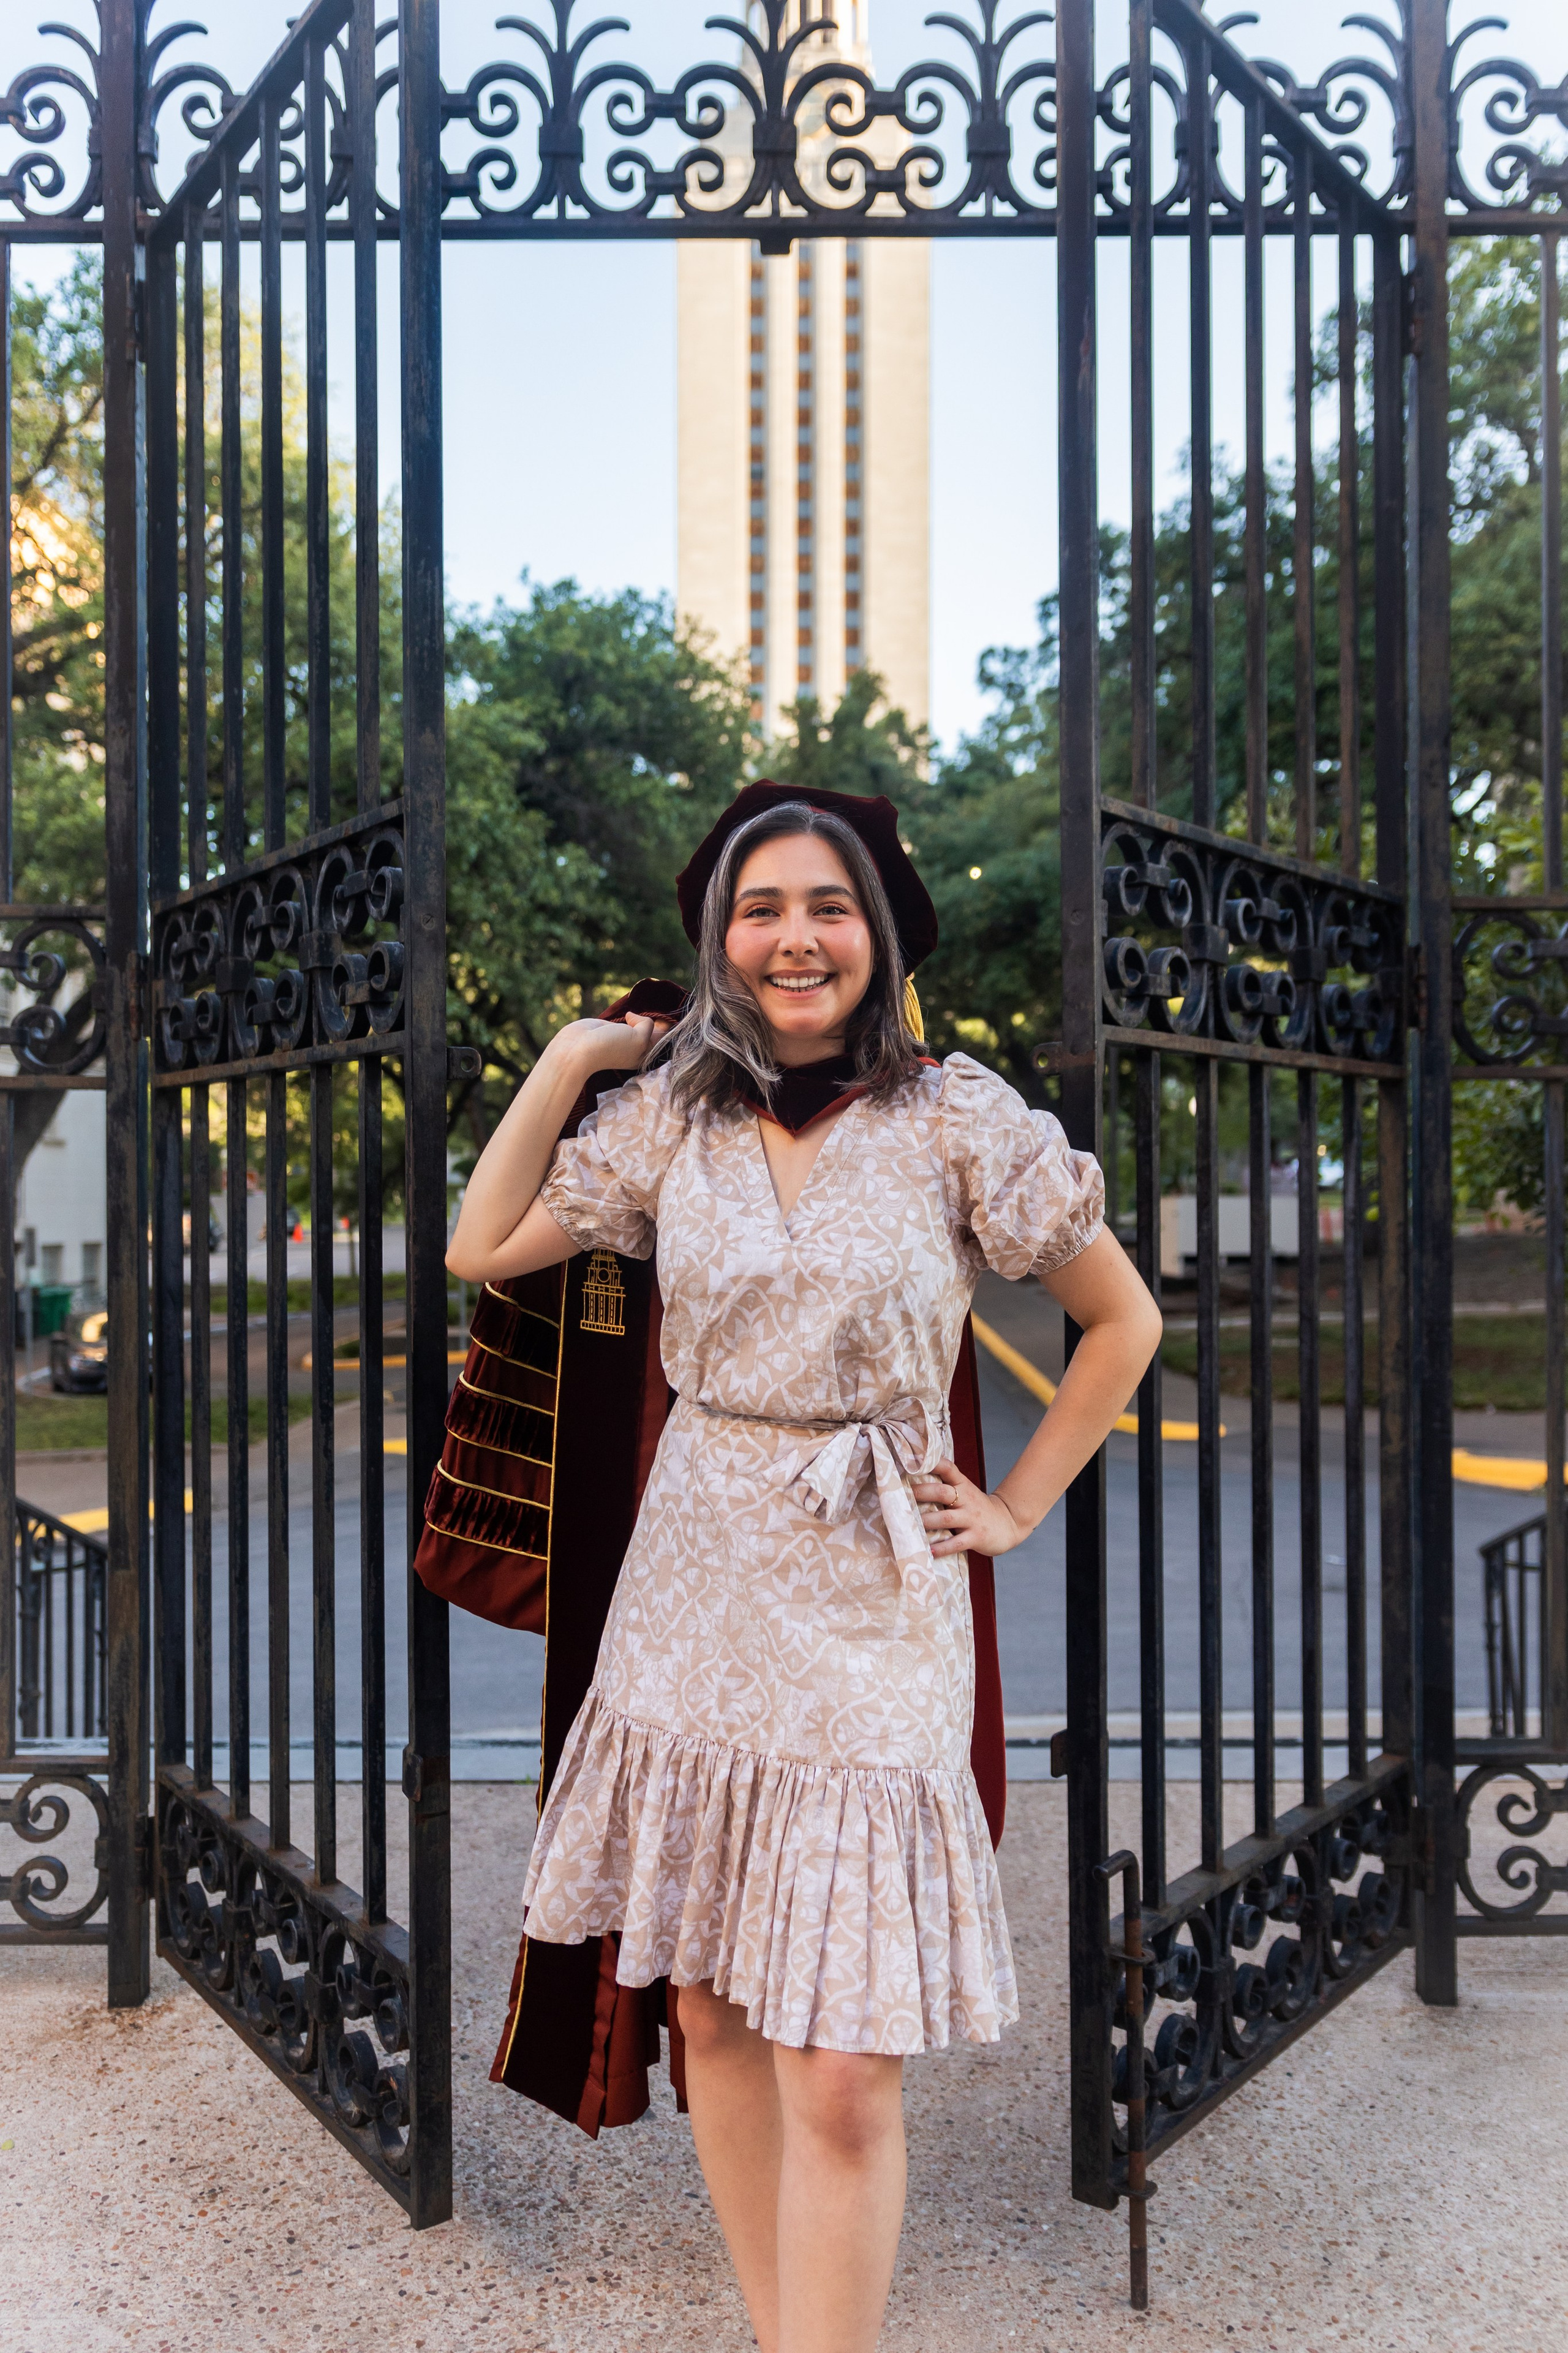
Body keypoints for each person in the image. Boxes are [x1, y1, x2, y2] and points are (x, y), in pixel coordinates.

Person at [447, 784, 1161, 2353]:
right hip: (692, 1580)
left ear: (877, 933)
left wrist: (1022, 1500)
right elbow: (479, 1244)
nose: (793, 937)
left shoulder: (958, 1116)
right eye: (758, 909)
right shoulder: (670, 1122)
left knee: (841, 2057)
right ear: (718, 940)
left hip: (872, 1588)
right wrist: (575, 1059)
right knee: (707, 2007)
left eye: (826, 907)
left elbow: (1122, 1322)